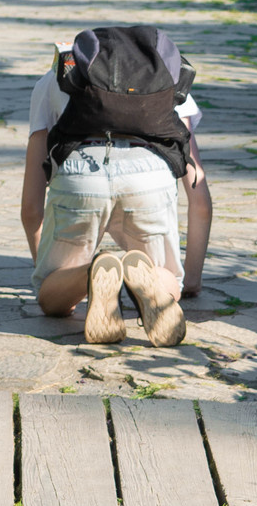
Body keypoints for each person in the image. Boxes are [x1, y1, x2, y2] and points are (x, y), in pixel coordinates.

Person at [21, 25, 213, 345]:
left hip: (82, 174)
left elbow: (31, 206)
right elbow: (199, 197)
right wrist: (189, 280)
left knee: (52, 299)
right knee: (167, 282)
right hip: (149, 177)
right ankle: (151, 279)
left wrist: (50, 272)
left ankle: (92, 272)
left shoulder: (56, 78)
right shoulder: (168, 80)